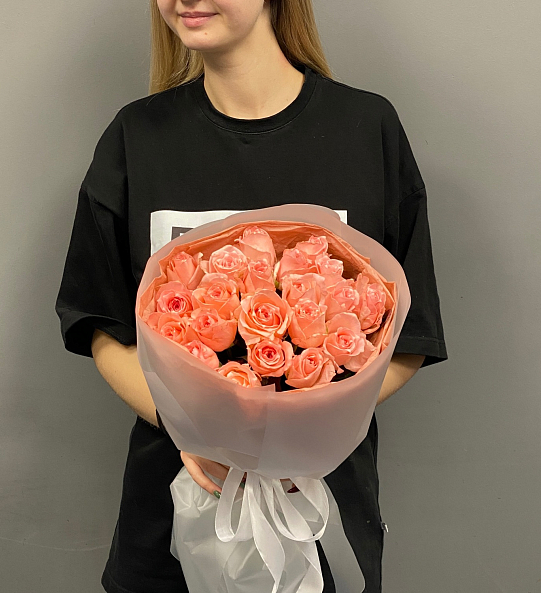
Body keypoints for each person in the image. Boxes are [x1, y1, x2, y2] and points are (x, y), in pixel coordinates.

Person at [55, 0, 448, 591]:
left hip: (321, 520)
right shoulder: (136, 136)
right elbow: (98, 322)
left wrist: (294, 441)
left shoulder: (365, 129)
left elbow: (409, 339)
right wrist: (197, 433)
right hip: (169, 525)